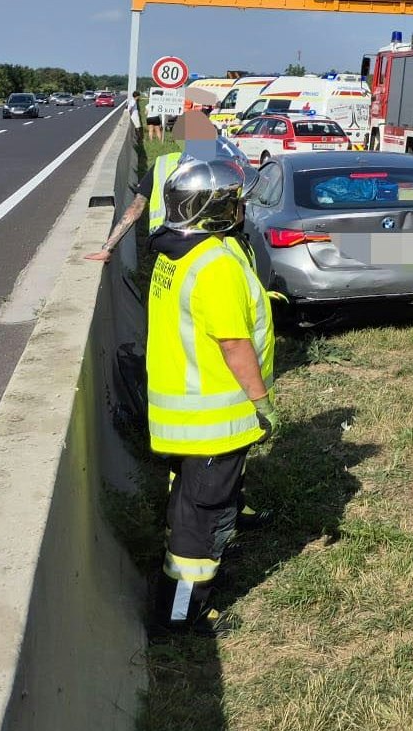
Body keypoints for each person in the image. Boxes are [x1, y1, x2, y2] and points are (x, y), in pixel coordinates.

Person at [144, 154, 278, 634]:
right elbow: (233, 343)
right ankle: (181, 614)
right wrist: (261, 403)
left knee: (189, 505)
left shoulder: (175, 252)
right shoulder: (216, 265)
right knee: (200, 523)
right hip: (212, 422)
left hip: (180, 411)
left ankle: (181, 588)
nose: (243, 209)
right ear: (218, 210)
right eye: (236, 202)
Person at [87, 112, 243, 262]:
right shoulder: (216, 169)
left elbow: (135, 208)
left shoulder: (162, 163)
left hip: (163, 241)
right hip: (203, 243)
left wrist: (107, 248)